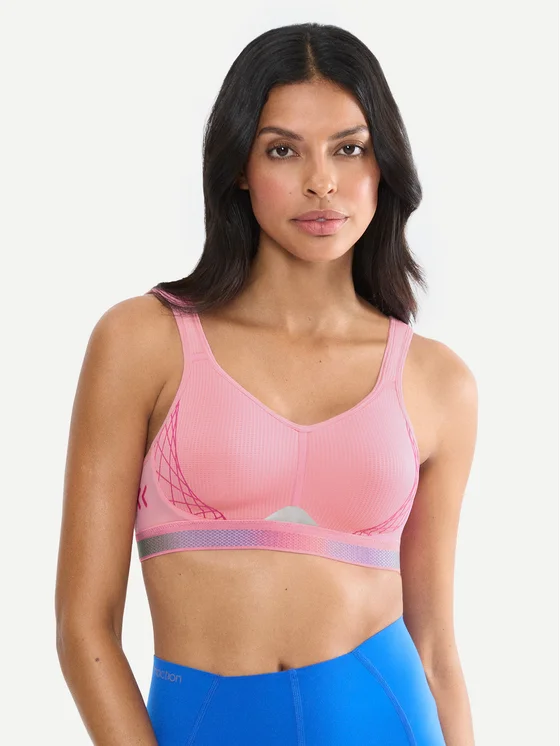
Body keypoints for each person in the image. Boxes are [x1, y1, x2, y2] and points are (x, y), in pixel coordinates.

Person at [55, 21, 477, 746]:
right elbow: (83, 625)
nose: (322, 181)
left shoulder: (438, 381)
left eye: (350, 148)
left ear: (385, 166)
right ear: (240, 168)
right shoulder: (143, 341)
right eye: (284, 149)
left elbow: (435, 643)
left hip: (390, 721)